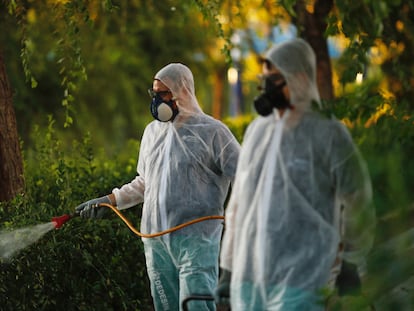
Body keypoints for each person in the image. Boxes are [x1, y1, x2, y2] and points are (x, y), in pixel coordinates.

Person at [215, 38, 376, 310]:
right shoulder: (257, 132)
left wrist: (351, 261)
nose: (267, 86)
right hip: (249, 276)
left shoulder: (329, 133)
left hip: (303, 278)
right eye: (264, 78)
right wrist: (228, 268)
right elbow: (238, 205)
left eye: (275, 78)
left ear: (300, 78)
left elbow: (358, 198)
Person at [76, 63, 240, 311]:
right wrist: (110, 201)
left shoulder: (213, 133)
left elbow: (245, 176)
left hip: (196, 241)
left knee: (195, 306)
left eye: (162, 94)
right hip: (155, 242)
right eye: (154, 93)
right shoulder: (152, 133)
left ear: (182, 92)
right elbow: (144, 182)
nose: (156, 100)